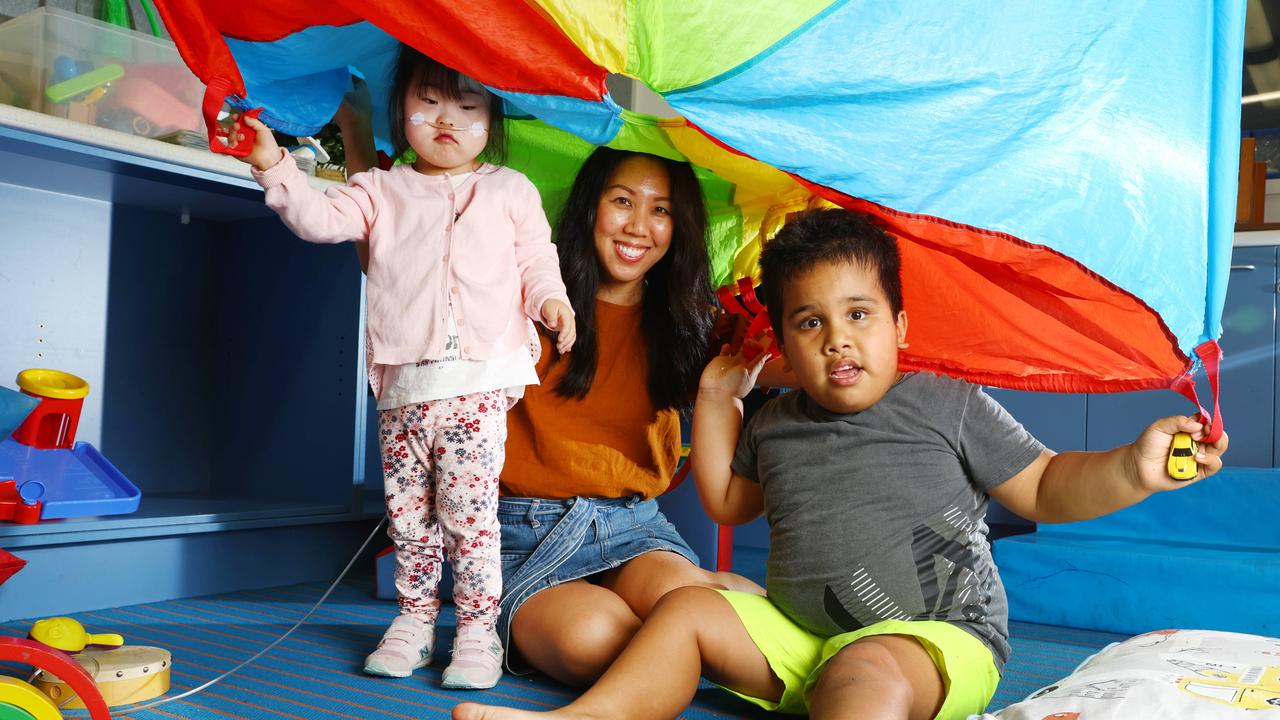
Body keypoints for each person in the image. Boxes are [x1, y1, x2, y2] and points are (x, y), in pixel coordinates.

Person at [452, 208, 1228, 720]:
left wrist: (1133, 466)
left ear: (900, 324)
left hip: (931, 639)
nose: (837, 339)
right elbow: (723, 501)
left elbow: (1046, 486)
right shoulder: (780, 421)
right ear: (785, 345)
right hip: (798, 641)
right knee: (686, 612)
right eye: (810, 322)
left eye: (859, 315)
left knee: (865, 672)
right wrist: (721, 399)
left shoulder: (944, 401)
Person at [228, 45, 576, 690]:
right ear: (401, 110)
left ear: (491, 119)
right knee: (409, 515)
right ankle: (414, 622)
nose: (448, 119)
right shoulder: (379, 189)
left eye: (468, 105)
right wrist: (274, 164)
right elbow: (317, 218)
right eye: (429, 101)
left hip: (476, 381)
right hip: (403, 387)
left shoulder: (509, 191)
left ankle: (475, 628)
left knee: (467, 516)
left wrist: (550, 299)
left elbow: (535, 259)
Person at [492, 147, 769, 687]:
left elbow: (798, 362)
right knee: (602, 642)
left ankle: (718, 591)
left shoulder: (689, 322)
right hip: (522, 534)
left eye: (661, 210)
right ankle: (705, 599)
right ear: (589, 207)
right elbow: (395, 254)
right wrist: (360, 137)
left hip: (631, 528)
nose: (639, 226)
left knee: (706, 613)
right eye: (622, 201)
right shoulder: (523, 297)